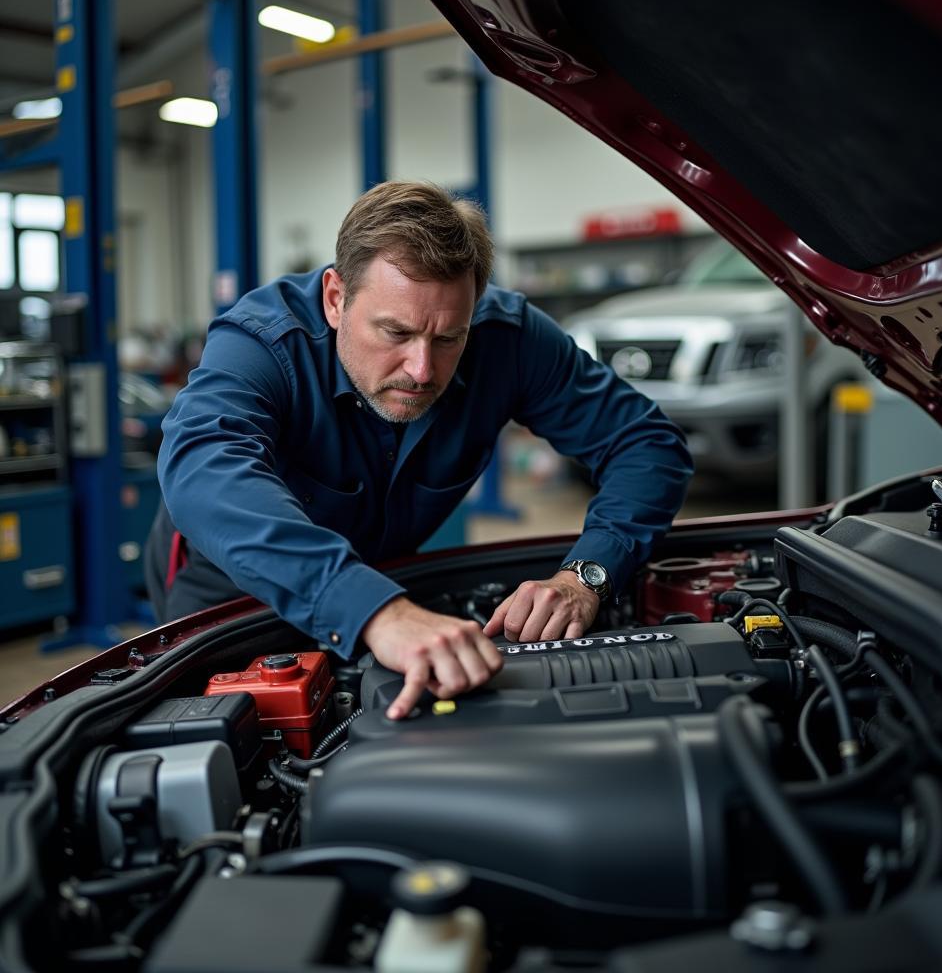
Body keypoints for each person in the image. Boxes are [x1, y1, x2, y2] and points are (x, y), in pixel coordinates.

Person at [146, 181, 692, 719]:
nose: (422, 369)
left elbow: (646, 444)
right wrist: (373, 610)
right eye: (395, 332)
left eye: (448, 338)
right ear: (336, 299)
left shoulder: (507, 336)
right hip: (234, 589)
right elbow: (204, 467)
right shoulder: (264, 343)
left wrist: (588, 573)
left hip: (386, 586)